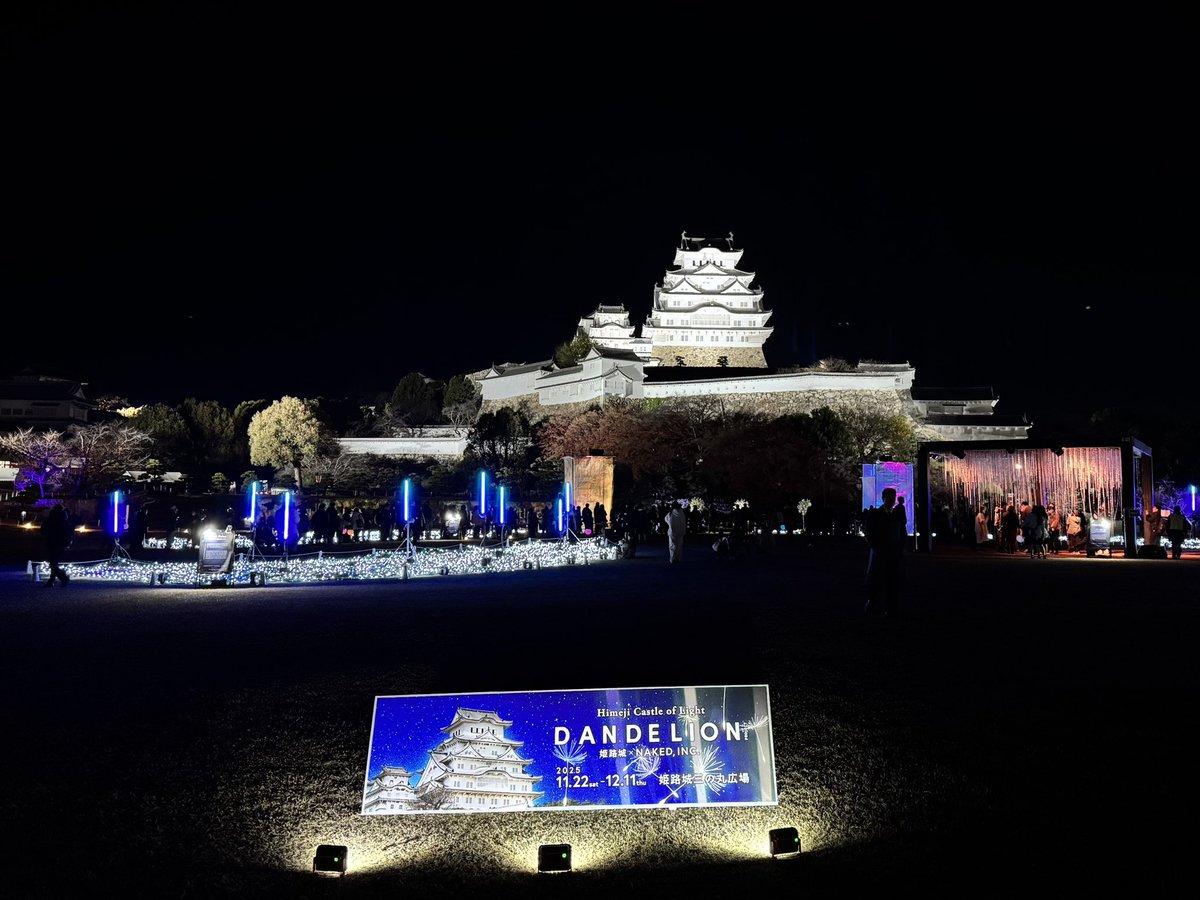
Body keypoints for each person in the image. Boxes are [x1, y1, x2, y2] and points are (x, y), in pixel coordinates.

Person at [863, 487, 906, 616]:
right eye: (889, 498)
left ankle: (890, 607)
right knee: (875, 580)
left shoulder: (896, 515)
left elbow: (901, 533)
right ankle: (872, 604)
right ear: (883, 499)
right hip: (879, 553)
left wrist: (900, 548)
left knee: (892, 580)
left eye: (893, 498)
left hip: (893, 554)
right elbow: (869, 533)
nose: (892, 500)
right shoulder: (875, 514)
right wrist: (877, 548)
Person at [41, 503, 72, 587]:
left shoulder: (52, 519)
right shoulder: (64, 519)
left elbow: (43, 529)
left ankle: (61, 578)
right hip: (60, 543)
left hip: (53, 543)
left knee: (53, 563)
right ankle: (53, 580)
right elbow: (68, 532)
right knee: (54, 563)